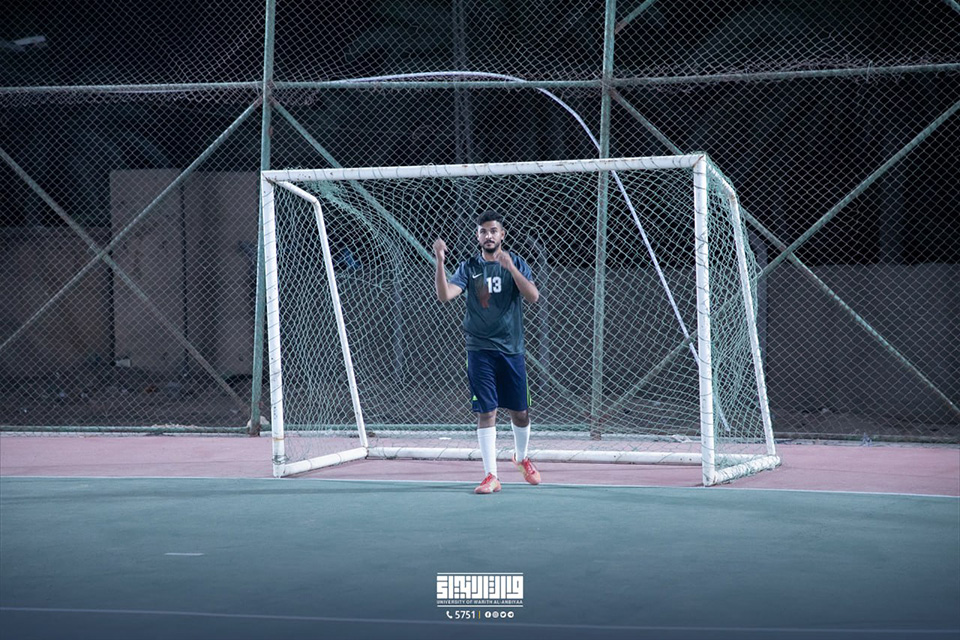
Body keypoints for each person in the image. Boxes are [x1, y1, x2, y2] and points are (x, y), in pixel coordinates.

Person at [433, 209, 541, 494]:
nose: (488, 236)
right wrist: (440, 261)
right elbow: (445, 295)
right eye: (483, 231)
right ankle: (491, 476)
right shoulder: (469, 267)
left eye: (493, 231)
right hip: (479, 350)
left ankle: (521, 457)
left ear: (502, 234)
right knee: (486, 411)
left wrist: (511, 269)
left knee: (520, 412)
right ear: (477, 236)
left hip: (511, 349)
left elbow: (533, 297)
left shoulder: (516, 262)